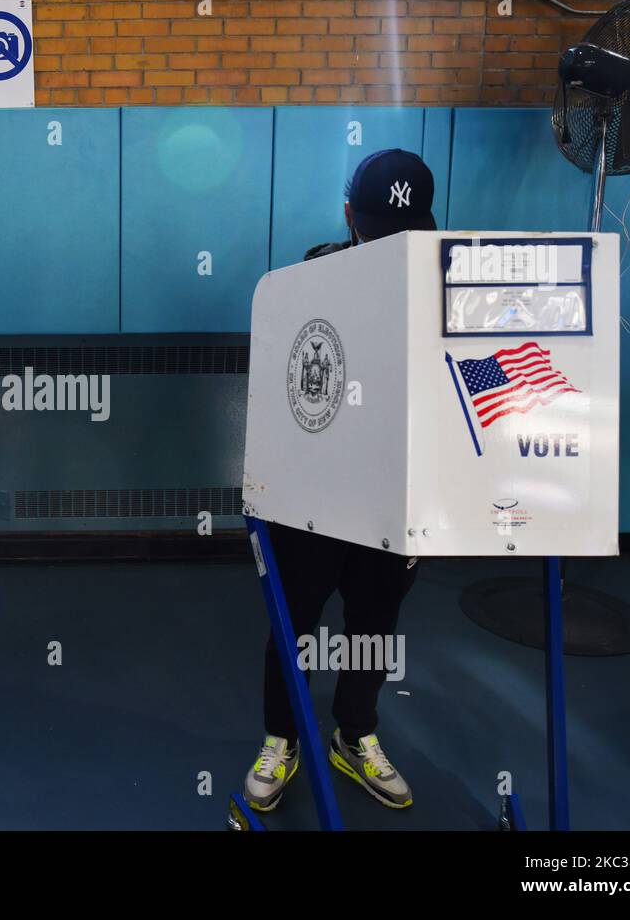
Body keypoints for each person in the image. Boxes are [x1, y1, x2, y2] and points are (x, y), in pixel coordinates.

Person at [242, 149, 437, 813]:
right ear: (351, 216)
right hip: (313, 501)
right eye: (379, 225)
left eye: (403, 229)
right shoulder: (310, 283)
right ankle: (281, 737)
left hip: (392, 498)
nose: (390, 242)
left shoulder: (441, 284)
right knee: (294, 623)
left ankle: (354, 736)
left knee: (373, 625)